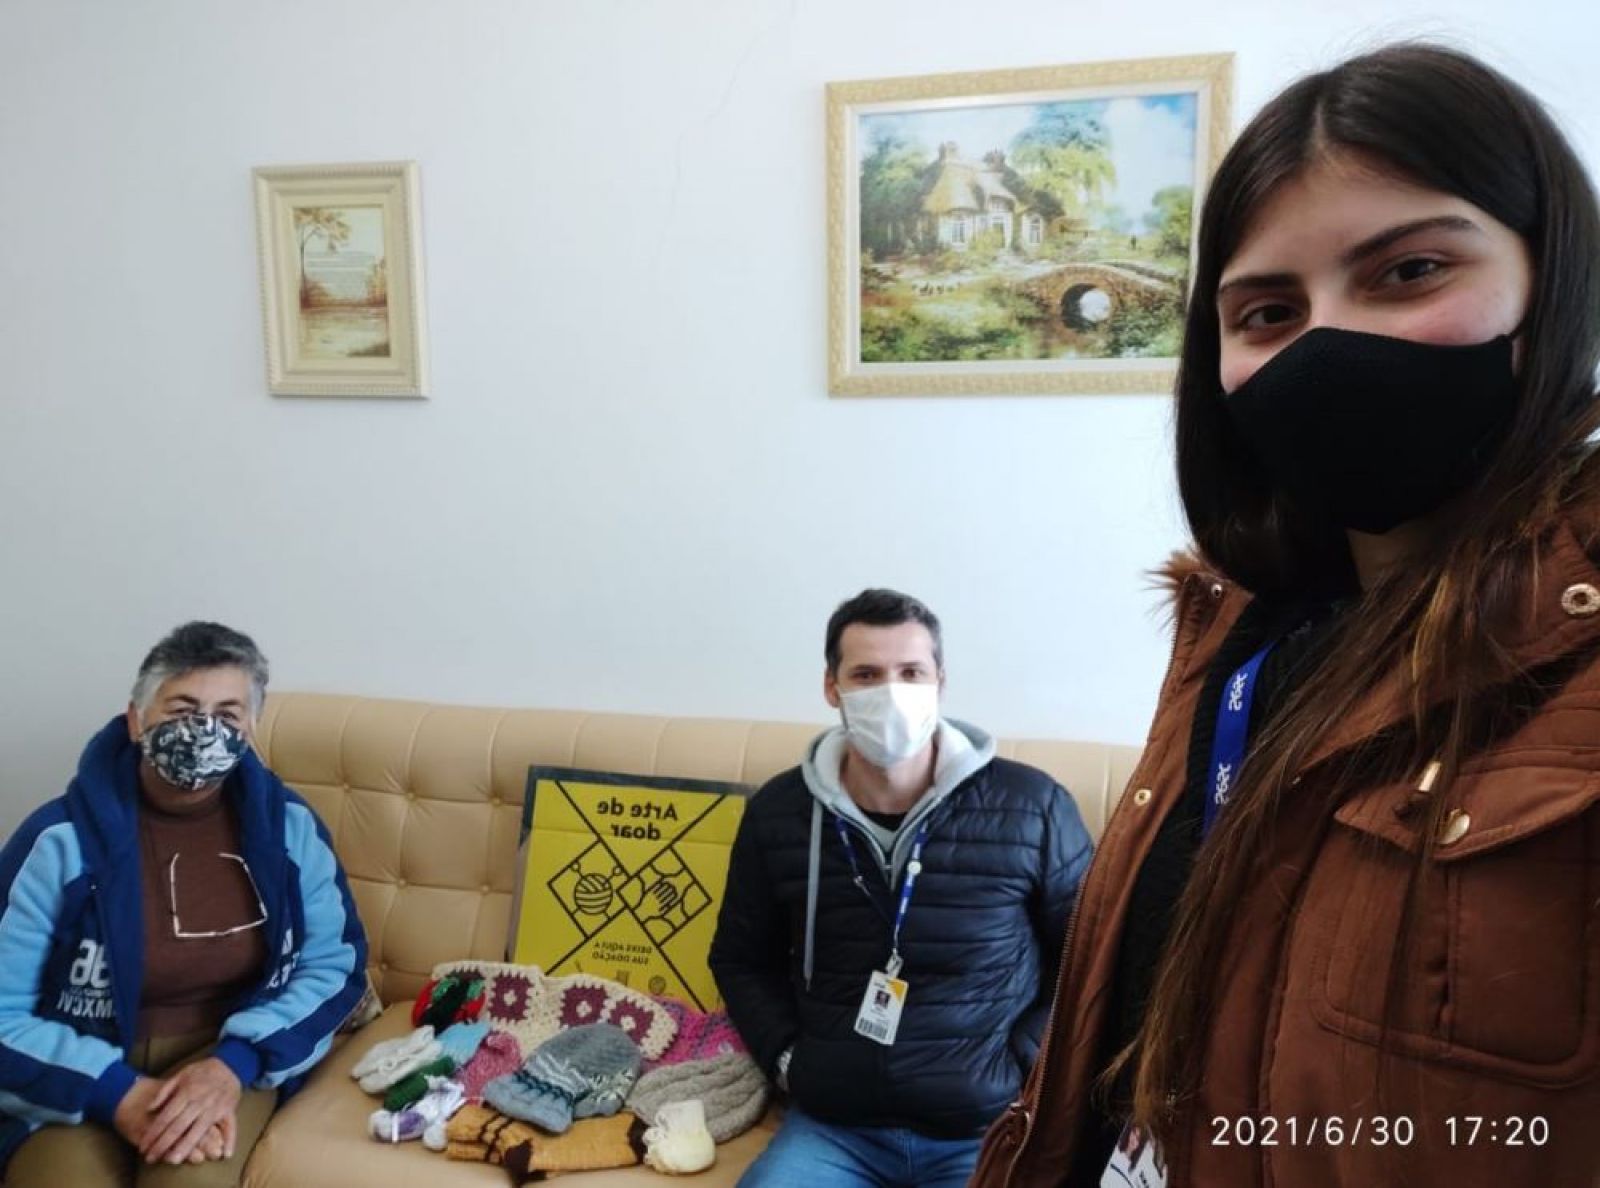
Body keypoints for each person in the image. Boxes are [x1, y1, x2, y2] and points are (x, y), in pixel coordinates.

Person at [970, 43, 1600, 1188]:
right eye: (1267, 311)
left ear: (1550, 282)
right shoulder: (1234, 638)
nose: (1323, 347)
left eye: (1409, 271)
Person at [710, 589, 1093, 1187]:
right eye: (866, 675)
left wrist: (1024, 1064)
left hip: (984, 1124)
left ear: (940, 681)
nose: (890, 692)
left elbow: (1092, 956)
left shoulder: (1033, 806)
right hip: (835, 1127)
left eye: (911, 672)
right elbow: (740, 958)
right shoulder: (779, 813)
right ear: (832, 687)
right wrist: (788, 1060)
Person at [0, 622, 369, 1187]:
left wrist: (233, 1065)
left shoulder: (289, 830)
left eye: (227, 714)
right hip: (81, 1063)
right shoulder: (57, 842)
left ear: (250, 728)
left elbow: (334, 967)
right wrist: (117, 1093)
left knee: (190, 1180)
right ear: (136, 719)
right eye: (182, 708)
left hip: (223, 1061)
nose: (204, 729)